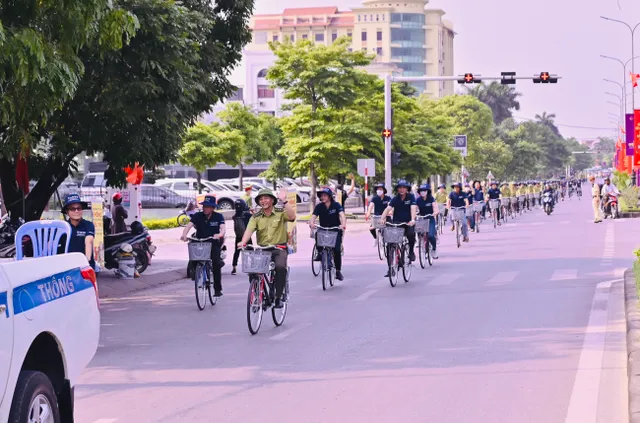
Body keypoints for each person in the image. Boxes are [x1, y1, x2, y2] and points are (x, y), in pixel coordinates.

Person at [238, 188, 295, 308]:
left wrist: (284, 201)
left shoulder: (280, 212)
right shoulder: (256, 217)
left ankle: (278, 297)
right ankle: (258, 295)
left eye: (266, 198)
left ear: (272, 200)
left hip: (279, 248)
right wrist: (243, 242)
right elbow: (249, 230)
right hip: (263, 249)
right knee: (253, 270)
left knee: (280, 268)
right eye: (261, 199)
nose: (263, 201)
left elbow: (292, 217)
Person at [180, 195, 226, 297]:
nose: (205, 208)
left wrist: (220, 234)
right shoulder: (198, 216)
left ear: (213, 208)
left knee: (216, 263)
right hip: (200, 240)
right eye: (204, 206)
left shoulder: (218, 216)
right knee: (194, 256)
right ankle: (196, 274)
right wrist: (184, 235)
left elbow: (223, 228)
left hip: (213, 241)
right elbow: (189, 226)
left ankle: (217, 289)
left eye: (208, 206)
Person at [310, 187, 347, 281]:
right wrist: (311, 223)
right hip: (323, 229)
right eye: (321, 196)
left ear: (329, 196)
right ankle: (319, 253)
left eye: (325, 195)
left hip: (335, 230)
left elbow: (342, 215)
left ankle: (338, 271)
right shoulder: (319, 206)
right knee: (317, 235)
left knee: (337, 250)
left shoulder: (336, 205)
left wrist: (343, 225)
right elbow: (313, 216)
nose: (323, 197)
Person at [380, 180, 417, 262]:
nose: (402, 189)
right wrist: (382, 218)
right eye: (400, 188)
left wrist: (413, 219)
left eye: (404, 187)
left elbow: (413, 208)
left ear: (407, 189)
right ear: (397, 189)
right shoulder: (395, 199)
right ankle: (391, 268)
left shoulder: (411, 197)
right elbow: (388, 208)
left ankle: (411, 251)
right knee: (390, 243)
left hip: (408, 222)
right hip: (397, 223)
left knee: (411, 234)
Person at [62, 194, 96, 268]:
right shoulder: (63, 227)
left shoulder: (88, 225)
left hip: (85, 265)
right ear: (67, 212)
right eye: (72, 209)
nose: (76, 211)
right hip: (67, 268)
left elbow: (88, 242)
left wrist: (87, 262)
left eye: (79, 208)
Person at [416, 184, 439, 259]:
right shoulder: (418, 200)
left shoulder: (431, 199)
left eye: (424, 190)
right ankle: (421, 243)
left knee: (431, 236)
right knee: (418, 232)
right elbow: (415, 208)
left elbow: (435, 207)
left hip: (430, 219)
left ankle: (434, 248)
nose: (423, 192)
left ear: (427, 191)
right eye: (421, 191)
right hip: (421, 219)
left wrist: (435, 212)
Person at [231, 199, 252, 275]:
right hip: (247, 235)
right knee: (251, 251)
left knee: (236, 252)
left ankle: (234, 267)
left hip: (238, 236)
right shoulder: (247, 215)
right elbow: (254, 218)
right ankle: (253, 265)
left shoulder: (235, 216)